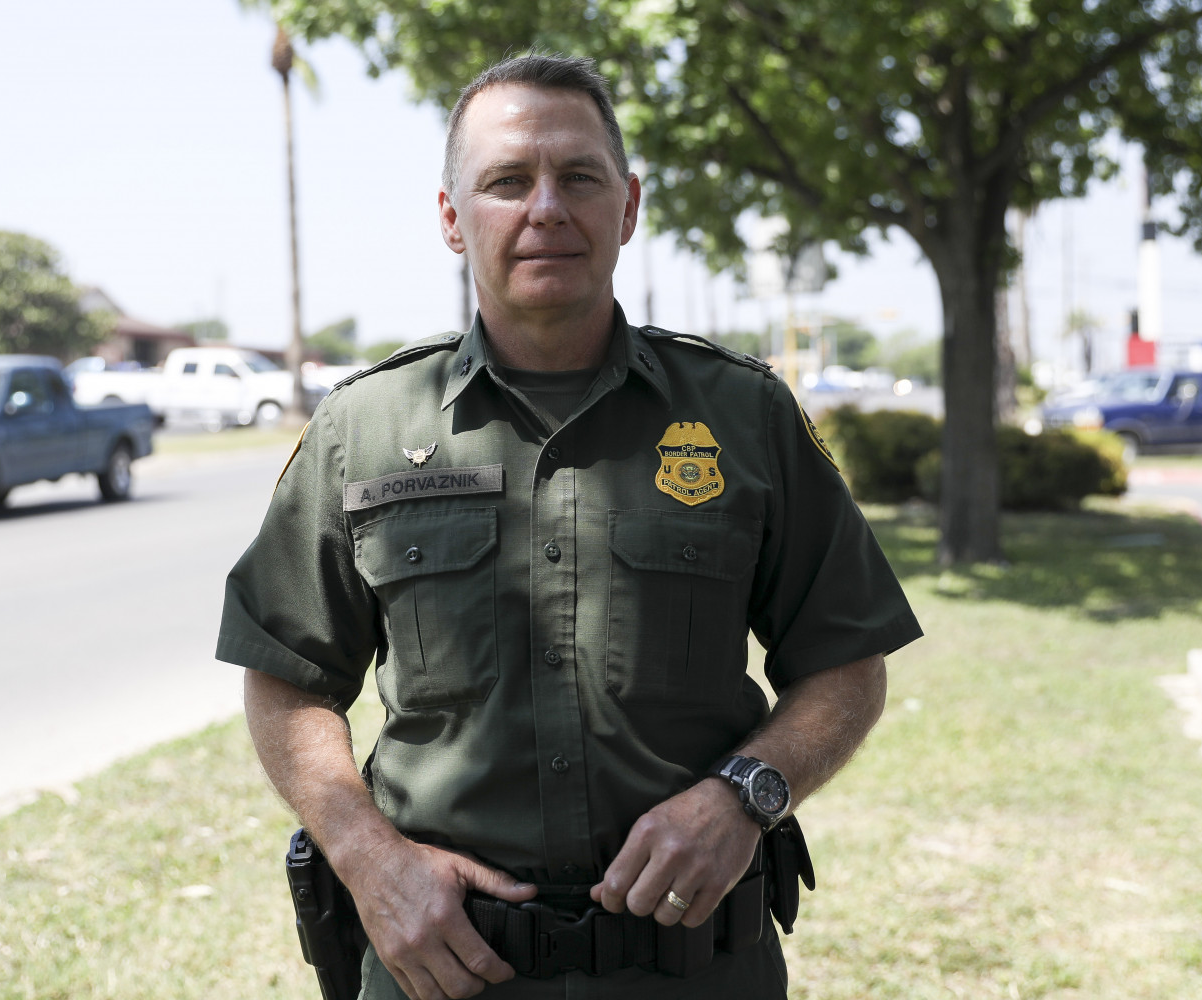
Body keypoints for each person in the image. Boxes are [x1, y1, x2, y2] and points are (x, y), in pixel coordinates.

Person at [218, 53, 922, 1000]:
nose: (545, 207)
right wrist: (367, 856)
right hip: (442, 969)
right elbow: (285, 676)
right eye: (507, 181)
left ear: (627, 207)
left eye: (578, 178)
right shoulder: (367, 428)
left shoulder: (742, 416)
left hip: (697, 969)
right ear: (451, 219)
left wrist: (742, 797)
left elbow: (846, 663)